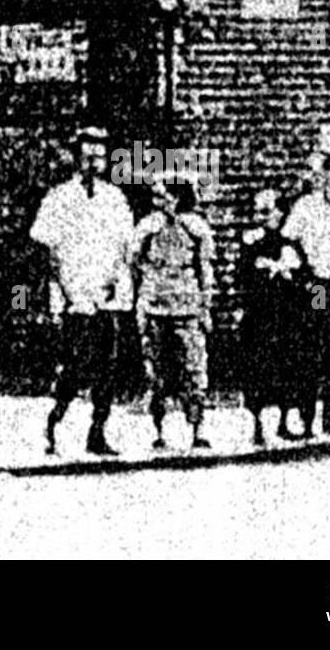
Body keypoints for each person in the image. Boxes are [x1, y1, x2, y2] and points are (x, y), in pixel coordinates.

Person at [30, 128, 134, 457]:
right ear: (77, 159)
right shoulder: (59, 198)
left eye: (100, 157)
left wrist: (115, 285)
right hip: (73, 298)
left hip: (105, 296)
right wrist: (66, 293)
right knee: (74, 368)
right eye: (88, 157)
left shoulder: (115, 199)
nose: (94, 164)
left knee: (107, 369)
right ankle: (53, 425)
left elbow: (123, 248)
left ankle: (97, 432)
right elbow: (49, 252)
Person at [132, 170, 215, 451]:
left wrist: (205, 307)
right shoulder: (146, 227)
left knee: (193, 371)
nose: (158, 200)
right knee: (156, 372)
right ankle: (159, 431)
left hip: (187, 309)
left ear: (177, 196)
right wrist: (142, 304)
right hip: (156, 308)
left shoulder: (196, 228)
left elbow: (206, 271)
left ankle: (197, 430)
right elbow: (135, 265)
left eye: (163, 194)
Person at [282, 151, 330, 438]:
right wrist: (301, 273)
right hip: (318, 286)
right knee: (313, 349)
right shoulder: (306, 206)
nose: (315, 178)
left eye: (321, 172)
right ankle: (307, 419)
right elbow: (289, 242)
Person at [238, 188, 311, 446]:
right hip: (259, 316)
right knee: (257, 370)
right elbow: (243, 278)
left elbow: (312, 280)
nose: (260, 217)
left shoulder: (293, 243)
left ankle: (285, 421)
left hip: (289, 316)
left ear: (280, 213)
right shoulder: (250, 241)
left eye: (266, 212)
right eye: (257, 212)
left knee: (289, 368)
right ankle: (257, 425)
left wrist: (314, 309)